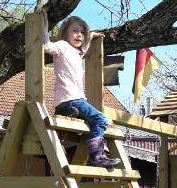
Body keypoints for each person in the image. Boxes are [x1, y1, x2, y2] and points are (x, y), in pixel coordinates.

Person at [42, 11, 120, 169]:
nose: (79, 35)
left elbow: (85, 47)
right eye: (75, 31)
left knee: (89, 120)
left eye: (82, 32)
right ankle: (96, 156)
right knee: (101, 119)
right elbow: (47, 46)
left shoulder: (78, 53)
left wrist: (92, 35)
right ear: (65, 33)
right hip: (70, 98)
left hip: (74, 101)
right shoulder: (63, 46)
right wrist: (43, 25)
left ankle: (70, 112)